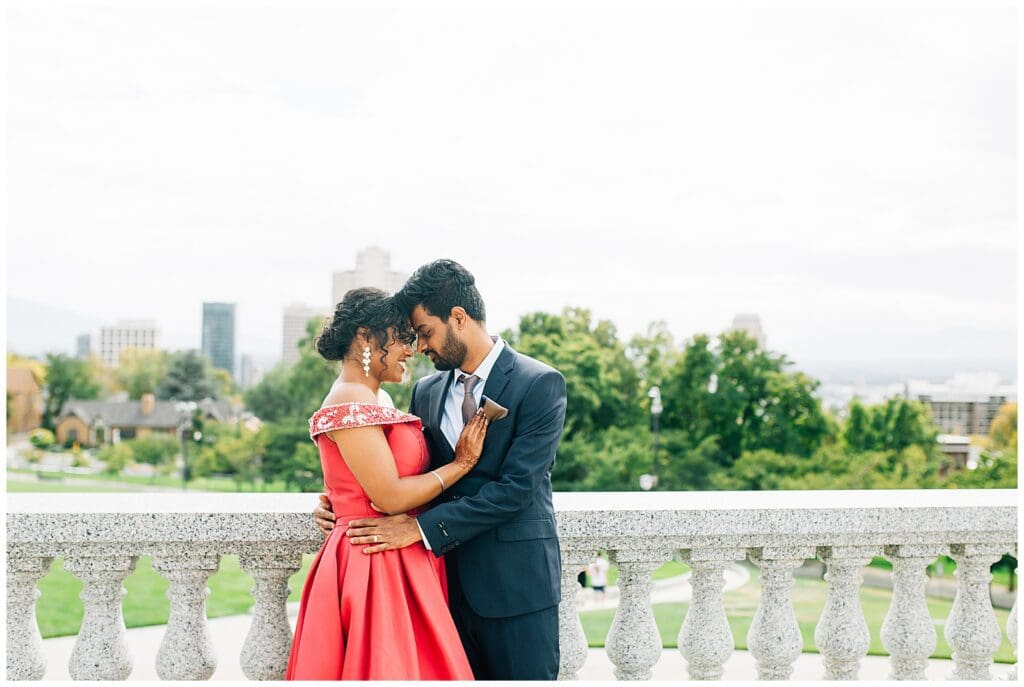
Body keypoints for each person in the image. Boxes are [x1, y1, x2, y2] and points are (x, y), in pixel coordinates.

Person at [313, 259, 567, 680]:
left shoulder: (538, 383)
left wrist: (420, 530)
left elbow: (516, 490)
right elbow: (404, 472)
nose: (420, 348)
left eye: (426, 333)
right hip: (437, 588)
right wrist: (341, 501)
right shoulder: (425, 391)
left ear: (459, 318)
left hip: (515, 589)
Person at [285, 287, 488, 680]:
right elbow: (390, 495)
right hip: (373, 563)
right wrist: (462, 464)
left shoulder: (373, 400)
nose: (410, 350)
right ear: (366, 336)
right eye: (401, 337)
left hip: (397, 553)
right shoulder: (348, 398)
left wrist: (341, 501)